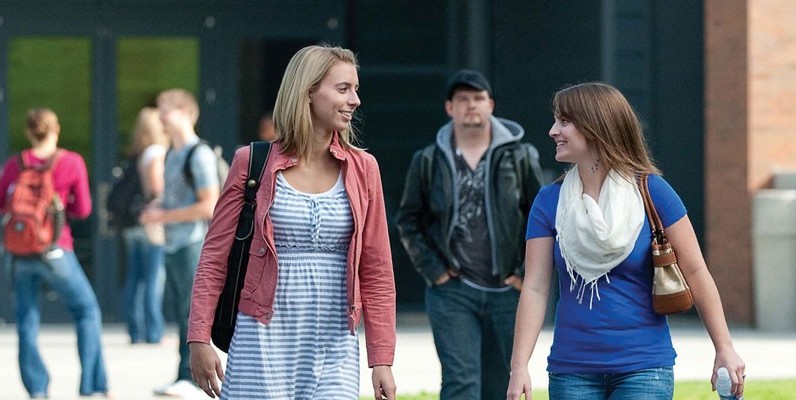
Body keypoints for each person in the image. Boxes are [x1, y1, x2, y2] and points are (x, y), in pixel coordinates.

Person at [506, 83, 746, 400]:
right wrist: (519, 366)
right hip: (571, 371)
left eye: (564, 121)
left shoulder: (652, 191)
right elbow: (536, 286)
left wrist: (724, 347)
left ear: (595, 126)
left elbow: (696, 272)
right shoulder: (549, 201)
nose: (553, 131)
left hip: (644, 369)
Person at [187, 44, 397, 400]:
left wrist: (381, 359)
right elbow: (213, 258)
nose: (355, 100)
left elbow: (377, 271)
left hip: (334, 344)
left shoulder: (364, 169)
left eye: (355, 89)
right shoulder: (252, 162)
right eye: (343, 89)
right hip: (261, 339)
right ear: (308, 91)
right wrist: (199, 338)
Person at [396, 69, 543, 400]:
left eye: (478, 98)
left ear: (491, 104)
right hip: (453, 291)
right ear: (450, 108)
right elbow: (408, 219)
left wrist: (524, 273)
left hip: (507, 290)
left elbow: (541, 217)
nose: (471, 105)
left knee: (501, 386)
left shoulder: (520, 156)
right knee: (460, 383)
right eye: (462, 99)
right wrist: (433, 270)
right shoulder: (429, 160)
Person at [1, 108, 107, 398]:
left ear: (28, 132)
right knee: (86, 310)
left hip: (19, 252)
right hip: (55, 249)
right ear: (55, 129)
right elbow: (83, 210)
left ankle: (37, 389)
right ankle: (93, 385)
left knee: (26, 320)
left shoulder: (15, 164)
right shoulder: (70, 162)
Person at [139, 88, 220, 397]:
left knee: (191, 312)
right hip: (174, 244)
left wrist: (163, 216)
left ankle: (194, 378)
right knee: (180, 311)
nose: (160, 116)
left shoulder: (199, 154)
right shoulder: (172, 154)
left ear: (185, 113)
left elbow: (209, 205)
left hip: (192, 243)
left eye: (165, 110)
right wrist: (157, 209)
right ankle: (183, 374)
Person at [121, 107, 168, 345]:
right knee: (153, 278)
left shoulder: (138, 154)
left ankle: (135, 330)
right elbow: (157, 189)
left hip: (134, 222)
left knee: (135, 278)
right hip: (152, 223)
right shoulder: (157, 152)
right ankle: (154, 331)